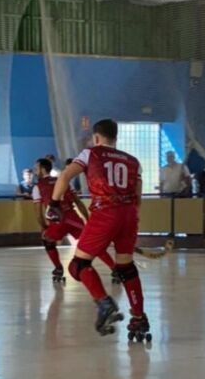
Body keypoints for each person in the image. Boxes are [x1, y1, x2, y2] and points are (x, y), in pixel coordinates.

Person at [48, 119, 150, 341]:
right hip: (129, 214)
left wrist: (54, 204)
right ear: (115, 137)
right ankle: (139, 317)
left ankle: (104, 303)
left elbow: (65, 176)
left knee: (78, 265)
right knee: (126, 268)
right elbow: (138, 197)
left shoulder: (90, 154)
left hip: (106, 212)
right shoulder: (134, 162)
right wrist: (132, 220)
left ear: (96, 137)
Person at [31, 157, 118, 283]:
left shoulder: (37, 187)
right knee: (92, 244)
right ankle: (114, 268)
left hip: (57, 222)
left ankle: (58, 268)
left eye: (36, 168)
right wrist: (88, 220)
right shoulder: (64, 181)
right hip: (73, 219)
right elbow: (78, 203)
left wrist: (44, 227)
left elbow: (39, 214)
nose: (34, 171)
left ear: (43, 170)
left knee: (47, 241)